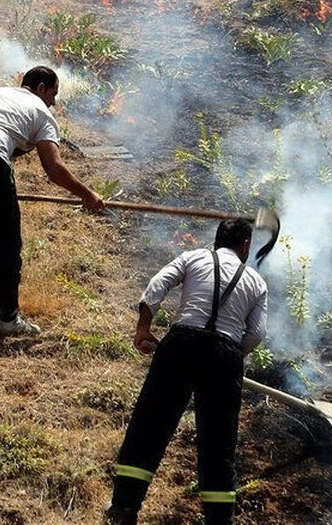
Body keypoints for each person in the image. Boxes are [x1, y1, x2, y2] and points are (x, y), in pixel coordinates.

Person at [106, 217, 270, 525]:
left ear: (217, 239)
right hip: (225, 354)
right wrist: (230, 358)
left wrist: (143, 328)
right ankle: (218, 521)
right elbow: (256, 334)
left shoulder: (194, 257)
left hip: (180, 344)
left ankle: (124, 509)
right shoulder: (257, 282)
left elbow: (158, 284)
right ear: (245, 245)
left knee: (149, 427)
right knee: (219, 445)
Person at [0, 65, 105, 336]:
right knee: (5, 244)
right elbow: (54, 168)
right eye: (53, 94)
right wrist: (87, 194)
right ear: (41, 88)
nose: (53, 102)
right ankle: (7, 318)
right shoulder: (42, 113)